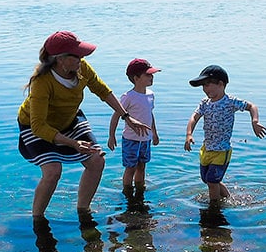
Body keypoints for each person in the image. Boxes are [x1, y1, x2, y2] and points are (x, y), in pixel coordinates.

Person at [18, 31, 149, 217]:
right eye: (77, 55)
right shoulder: (42, 82)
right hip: (37, 126)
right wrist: (73, 144)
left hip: (69, 120)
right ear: (60, 59)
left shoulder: (82, 68)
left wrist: (126, 116)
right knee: (53, 171)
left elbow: (103, 91)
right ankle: (37, 219)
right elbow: (38, 125)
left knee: (97, 160)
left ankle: (83, 210)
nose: (83, 57)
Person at [184, 65, 266, 202]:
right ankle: (228, 198)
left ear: (221, 84)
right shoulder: (205, 103)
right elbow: (194, 117)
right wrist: (189, 134)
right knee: (208, 180)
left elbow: (251, 106)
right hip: (207, 149)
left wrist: (255, 122)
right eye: (203, 86)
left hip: (222, 151)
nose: (205, 89)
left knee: (212, 181)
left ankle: (214, 208)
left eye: (207, 84)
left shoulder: (230, 102)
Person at [107, 58, 160, 195]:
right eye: (148, 75)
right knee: (130, 167)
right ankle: (128, 191)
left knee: (142, 166)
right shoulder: (128, 96)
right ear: (136, 78)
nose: (151, 77)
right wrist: (111, 136)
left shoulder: (151, 95)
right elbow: (116, 115)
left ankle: (140, 189)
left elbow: (150, 114)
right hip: (131, 139)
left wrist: (154, 132)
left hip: (146, 138)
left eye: (152, 74)